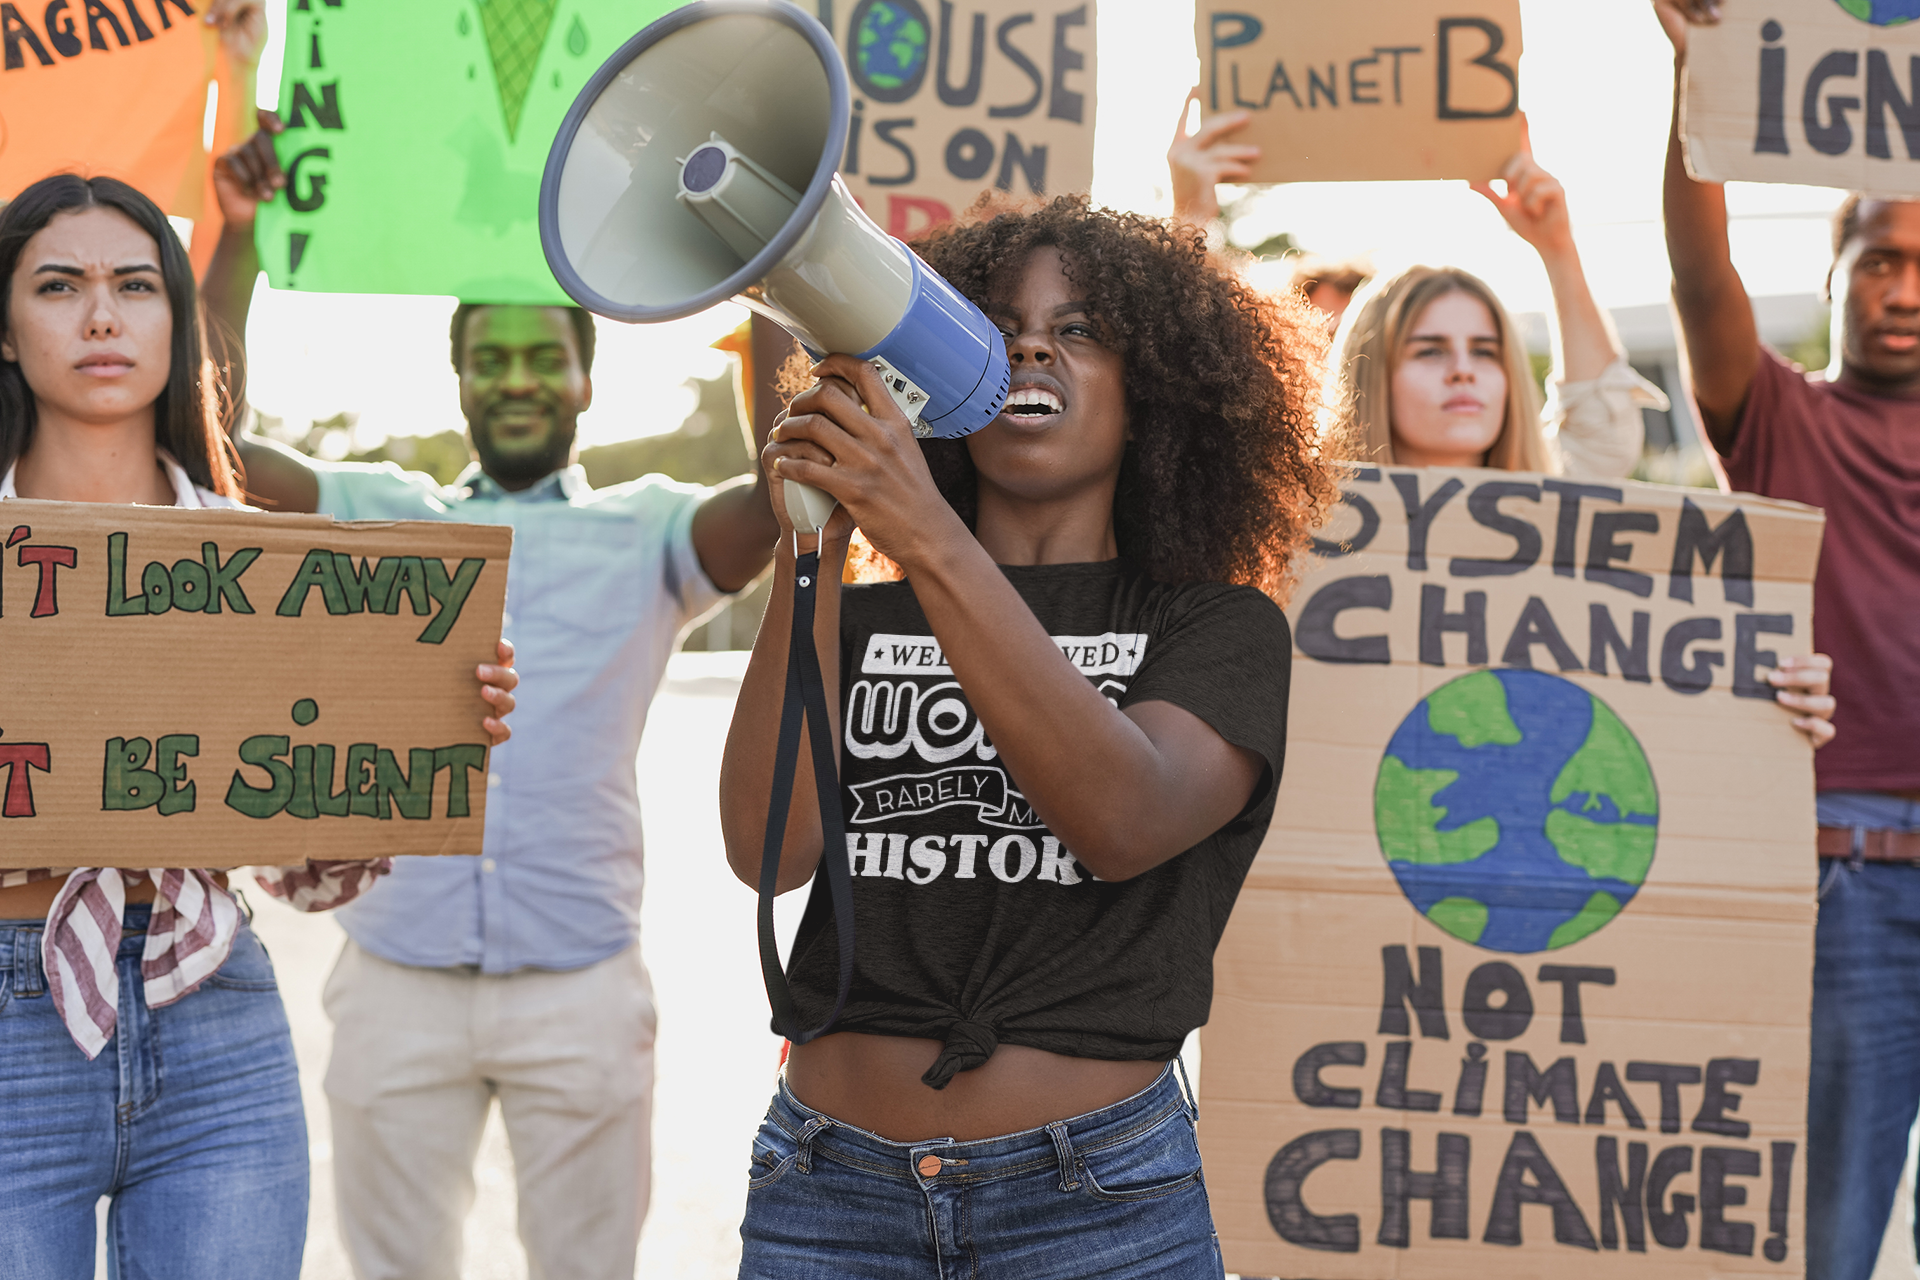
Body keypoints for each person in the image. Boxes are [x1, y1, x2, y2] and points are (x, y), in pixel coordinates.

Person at [202, 111, 786, 1280]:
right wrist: (239, 239)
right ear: (459, 373)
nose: (517, 376)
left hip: (583, 991)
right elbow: (210, 450)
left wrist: (766, 262)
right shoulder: (374, 512)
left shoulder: (653, 528)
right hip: (396, 984)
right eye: (493, 355)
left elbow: (786, 488)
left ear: (584, 376)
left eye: (543, 355)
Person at [717, 196, 1336, 1278]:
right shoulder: (856, 614)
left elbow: (1125, 817)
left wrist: (922, 534)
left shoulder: (1215, 628)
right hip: (826, 1190)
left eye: (1082, 328)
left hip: (1093, 1204)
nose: (1034, 343)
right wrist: (810, 548)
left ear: (1154, 399)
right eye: (996, 325)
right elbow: (768, 851)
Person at [0, 173, 516, 1278]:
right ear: (6, 328)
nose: (101, 314)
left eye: (136, 285)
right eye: (59, 285)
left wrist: (421, 727)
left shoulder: (276, 564)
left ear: (176, 323)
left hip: (212, 1003)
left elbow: (308, 863)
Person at [1656, 5, 1920, 1275]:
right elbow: (1699, 274)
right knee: (1826, 1245)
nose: (1905, 286)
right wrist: (1694, 79)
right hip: (1851, 881)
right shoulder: (1781, 422)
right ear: (1830, 277)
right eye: (1876, 258)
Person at [1170, 96, 1665, 480]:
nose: (1463, 372)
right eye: (1430, 351)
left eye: (1486, 352)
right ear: (1367, 375)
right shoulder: (1295, 524)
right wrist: (1192, 215)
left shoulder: (1555, 504)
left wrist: (1558, 250)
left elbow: (1603, 431)